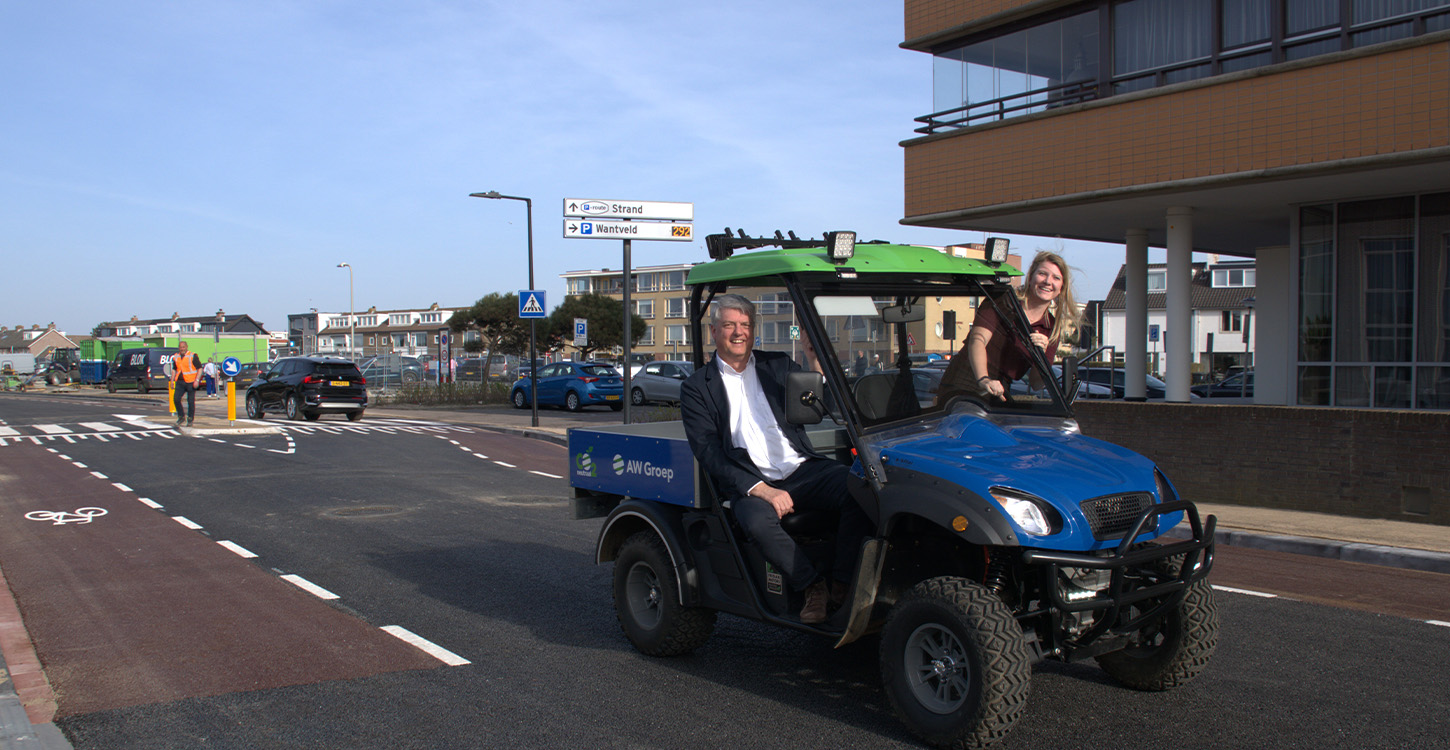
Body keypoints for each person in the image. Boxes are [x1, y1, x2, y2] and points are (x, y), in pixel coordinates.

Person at [680, 294, 873, 625]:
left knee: (862, 487)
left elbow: (814, 406)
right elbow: (708, 451)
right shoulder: (697, 387)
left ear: (754, 331)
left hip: (802, 468)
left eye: (745, 325)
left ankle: (842, 584)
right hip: (750, 481)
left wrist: (816, 366)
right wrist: (762, 490)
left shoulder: (779, 365)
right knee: (756, 521)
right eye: (729, 325)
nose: (738, 332)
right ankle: (812, 587)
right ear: (714, 331)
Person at [940, 250, 1079, 401]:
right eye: (1042, 274)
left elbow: (1036, 383)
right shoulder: (1003, 300)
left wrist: (1042, 354)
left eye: (1056, 278)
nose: (1048, 281)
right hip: (967, 377)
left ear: (1061, 287)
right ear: (1031, 277)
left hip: (1001, 387)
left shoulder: (1052, 328)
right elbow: (978, 339)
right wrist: (984, 379)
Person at [170, 342, 203, 426]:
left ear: (187, 347)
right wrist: (172, 381)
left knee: (190, 401)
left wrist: (197, 380)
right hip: (180, 382)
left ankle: (190, 419)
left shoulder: (192, 356)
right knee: (176, 399)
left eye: (183, 347)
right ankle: (181, 417)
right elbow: (174, 369)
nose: (182, 349)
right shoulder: (176, 357)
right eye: (180, 347)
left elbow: (199, 368)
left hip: (191, 382)